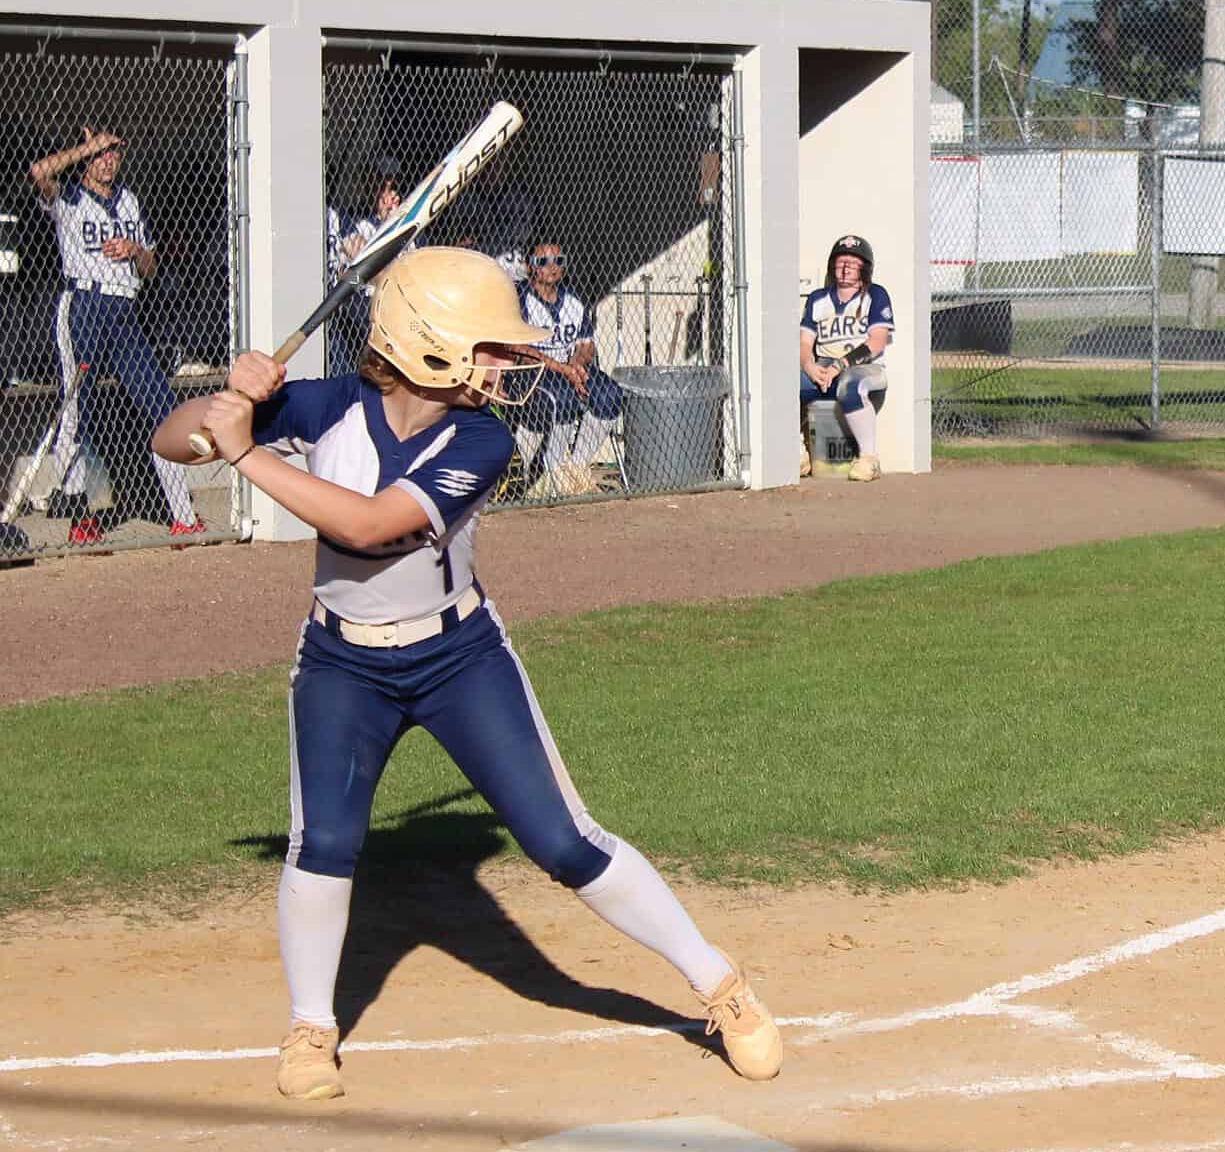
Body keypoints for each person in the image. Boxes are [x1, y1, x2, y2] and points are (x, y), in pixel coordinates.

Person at [149, 246, 781, 1100]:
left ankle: (719, 985)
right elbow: (171, 438)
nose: (507, 362)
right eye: (488, 347)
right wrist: (237, 397)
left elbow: (372, 527)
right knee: (324, 842)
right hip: (342, 662)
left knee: (563, 841)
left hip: (459, 656)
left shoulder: (482, 435)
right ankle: (310, 1027)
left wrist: (249, 455)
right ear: (427, 343)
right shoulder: (332, 403)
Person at [29, 125, 204, 542]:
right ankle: (80, 518)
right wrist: (88, 146)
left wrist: (135, 250)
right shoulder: (70, 195)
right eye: (101, 154)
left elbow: (150, 269)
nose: (108, 160)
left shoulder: (129, 200)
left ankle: (183, 515)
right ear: (87, 157)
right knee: (79, 410)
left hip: (125, 313)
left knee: (163, 405)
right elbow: (39, 172)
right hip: (84, 307)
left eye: (113, 153)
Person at [516, 236, 624, 496]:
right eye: (543, 261)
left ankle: (576, 468)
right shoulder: (519, 297)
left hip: (568, 368)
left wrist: (576, 364)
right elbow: (520, 352)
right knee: (562, 397)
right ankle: (551, 472)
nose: (552, 267)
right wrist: (563, 369)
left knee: (610, 393)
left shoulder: (572, 298)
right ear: (530, 266)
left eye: (558, 261)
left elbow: (587, 344)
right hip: (534, 371)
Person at [799, 233, 892, 482]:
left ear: (865, 268)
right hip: (825, 368)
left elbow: (877, 341)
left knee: (851, 383)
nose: (845, 267)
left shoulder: (876, 295)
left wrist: (842, 364)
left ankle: (869, 459)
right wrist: (808, 366)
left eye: (853, 262)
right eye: (841, 261)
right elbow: (804, 342)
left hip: (866, 368)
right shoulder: (818, 298)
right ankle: (799, 452)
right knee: (790, 382)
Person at [325, 160, 406, 375]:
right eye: (381, 187)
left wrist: (392, 224)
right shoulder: (347, 221)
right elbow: (357, 253)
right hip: (354, 316)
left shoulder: (407, 229)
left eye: (392, 188)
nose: (389, 196)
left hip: (390, 315)